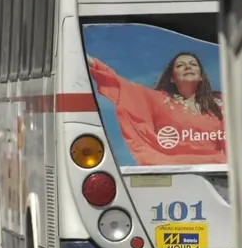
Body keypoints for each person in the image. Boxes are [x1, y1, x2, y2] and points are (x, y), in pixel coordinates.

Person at [87, 51, 226, 165]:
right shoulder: (157, 99)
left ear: (201, 76)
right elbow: (119, 84)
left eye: (193, 64)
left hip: (217, 170)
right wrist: (82, 57)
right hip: (173, 169)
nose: (188, 67)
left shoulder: (219, 103)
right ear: (172, 78)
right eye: (180, 66)